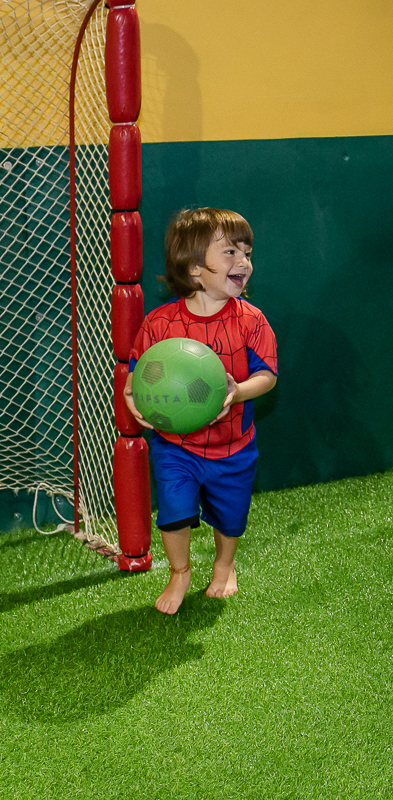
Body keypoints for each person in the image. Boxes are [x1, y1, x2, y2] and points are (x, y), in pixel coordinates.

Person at [124, 208, 278, 615]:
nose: (243, 261)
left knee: (231, 516)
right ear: (194, 269)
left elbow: (269, 376)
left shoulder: (252, 321)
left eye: (247, 252)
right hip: (176, 446)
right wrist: (130, 395)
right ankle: (179, 572)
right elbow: (138, 372)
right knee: (174, 509)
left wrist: (238, 390)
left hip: (233, 446)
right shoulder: (159, 323)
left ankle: (224, 566)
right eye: (230, 252)